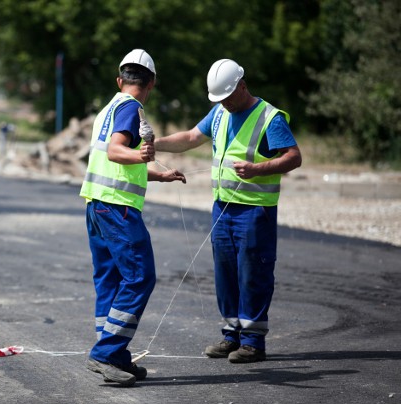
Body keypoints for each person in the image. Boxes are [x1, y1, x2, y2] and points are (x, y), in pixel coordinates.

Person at [155, 59, 302, 363]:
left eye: (227, 97)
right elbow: (191, 137)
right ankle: (230, 334)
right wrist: (156, 145)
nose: (223, 103)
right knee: (225, 274)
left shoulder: (269, 118)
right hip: (222, 207)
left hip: (255, 211)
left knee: (253, 273)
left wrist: (257, 169)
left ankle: (252, 342)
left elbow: (293, 157)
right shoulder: (220, 113)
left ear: (242, 86)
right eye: (219, 99)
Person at [80, 49, 186, 385]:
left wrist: (158, 174)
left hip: (97, 204)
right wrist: (141, 153)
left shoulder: (108, 109)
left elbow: (118, 162)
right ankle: (105, 353)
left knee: (110, 281)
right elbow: (116, 151)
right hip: (117, 210)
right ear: (151, 82)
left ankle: (114, 355)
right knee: (140, 277)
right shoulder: (131, 108)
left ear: (120, 79)